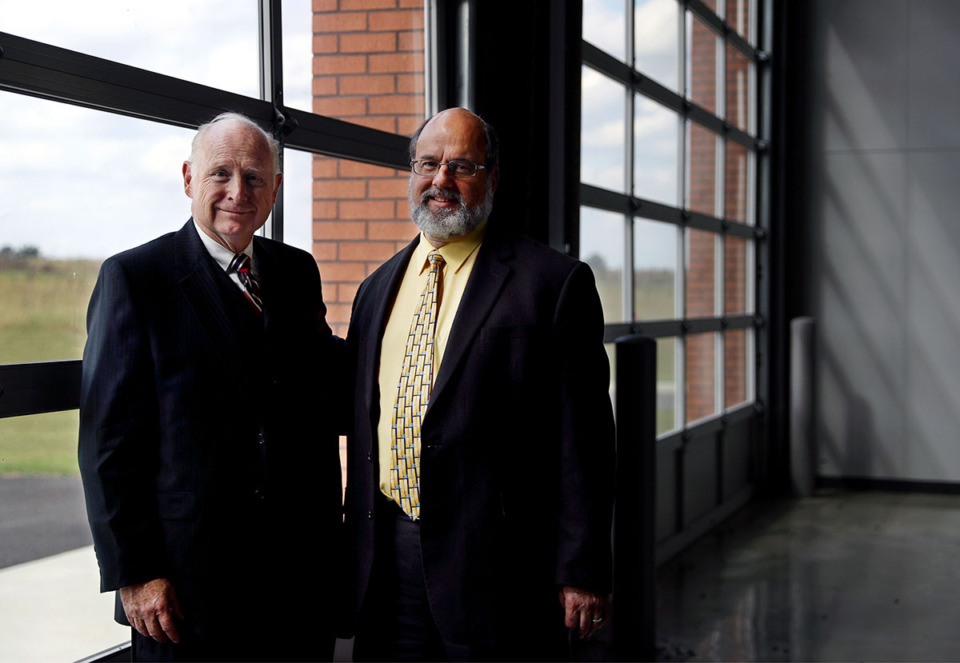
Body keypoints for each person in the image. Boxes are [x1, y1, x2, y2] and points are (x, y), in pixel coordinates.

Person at [342, 107, 616, 661]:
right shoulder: (374, 290)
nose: (441, 180)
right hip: (387, 560)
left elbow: (583, 440)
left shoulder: (553, 283)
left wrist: (581, 569)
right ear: (411, 174)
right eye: (428, 164)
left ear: (492, 177)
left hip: (502, 565)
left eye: (462, 166)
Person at [78, 112, 343, 662]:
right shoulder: (135, 278)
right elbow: (109, 445)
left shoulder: (297, 272)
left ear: (275, 188)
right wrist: (136, 575)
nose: (237, 192)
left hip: (297, 579)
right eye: (220, 173)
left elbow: (321, 387)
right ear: (187, 179)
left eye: (253, 177)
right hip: (186, 588)